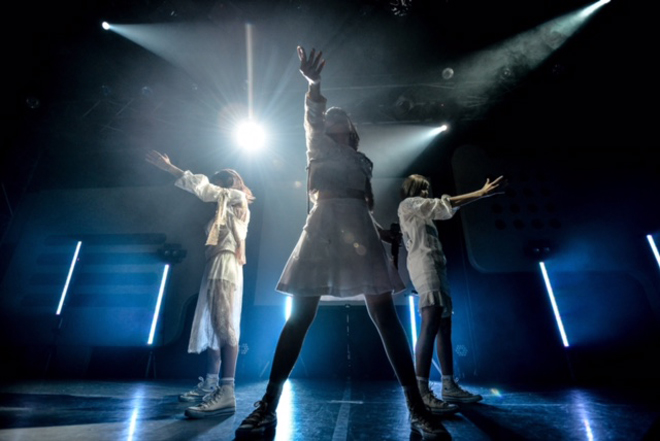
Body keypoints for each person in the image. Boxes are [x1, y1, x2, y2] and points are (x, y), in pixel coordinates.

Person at [234, 47, 450, 440]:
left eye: (341, 116)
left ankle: (416, 407)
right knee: (300, 317)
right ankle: (268, 404)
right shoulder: (317, 145)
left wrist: (381, 232)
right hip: (322, 229)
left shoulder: (363, 161)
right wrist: (314, 84)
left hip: (360, 232)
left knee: (385, 317)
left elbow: (363, 205)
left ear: (350, 127)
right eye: (330, 116)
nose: (334, 117)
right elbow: (313, 114)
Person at [146, 150, 253, 418]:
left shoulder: (236, 197)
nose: (216, 187)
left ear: (229, 183)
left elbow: (204, 190)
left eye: (219, 182)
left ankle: (226, 391)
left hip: (225, 264)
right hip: (216, 264)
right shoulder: (224, 207)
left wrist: (171, 168)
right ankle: (212, 384)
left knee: (224, 325)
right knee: (215, 326)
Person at [397, 174, 503, 412]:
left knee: (444, 325)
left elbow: (444, 210)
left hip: (436, 266)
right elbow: (443, 205)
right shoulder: (408, 204)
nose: (426, 192)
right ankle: (421, 391)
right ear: (412, 189)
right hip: (424, 266)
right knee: (430, 323)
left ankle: (448, 385)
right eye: (422, 188)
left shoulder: (423, 210)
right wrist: (480, 193)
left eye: (427, 188)